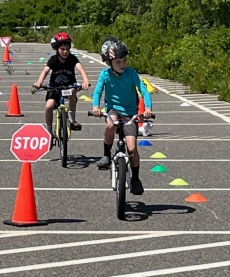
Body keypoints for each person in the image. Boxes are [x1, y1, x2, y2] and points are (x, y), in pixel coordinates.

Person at [92, 36, 152, 195]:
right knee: (110, 125)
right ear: (109, 63)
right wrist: (95, 107)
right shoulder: (105, 75)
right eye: (118, 62)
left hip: (130, 114)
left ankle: (136, 179)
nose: (122, 64)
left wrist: (148, 109)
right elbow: (97, 91)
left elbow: (144, 91)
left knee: (132, 148)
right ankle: (106, 155)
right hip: (113, 110)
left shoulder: (131, 74)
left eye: (124, 60)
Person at [33, 32, 90, 135]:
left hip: (69, 85)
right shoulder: (53, 60)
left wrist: (85, 81)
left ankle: (72, 120)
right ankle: (49, 131)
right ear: (56, 49)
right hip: (54, 87)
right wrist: (39, 82)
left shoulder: (72, 59)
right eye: (62, 49)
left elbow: (80, 68)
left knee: (72, 91)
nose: (65, 52)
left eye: (67, 49)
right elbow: (45, 71)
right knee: (49, 106)